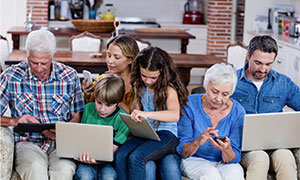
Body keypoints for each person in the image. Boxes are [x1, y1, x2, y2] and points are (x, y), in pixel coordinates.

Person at [0, 29, 84, 179]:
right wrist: (13, 121)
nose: (39, 68)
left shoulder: (69, 77)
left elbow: (76, 116)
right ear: (27, 56)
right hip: (27, 143)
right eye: (34, 62)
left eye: (44, 63)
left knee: (64, 171)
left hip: (60, 144)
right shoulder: (11, 76)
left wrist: (65, 131)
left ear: (52, 56)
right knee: (36, 169)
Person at [230, 35, 300, 180]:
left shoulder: (283, 83)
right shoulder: (232, 81)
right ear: (248, 56)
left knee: (286, 158)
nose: (263, 69)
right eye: (258, 63)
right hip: (244, 146)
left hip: (277, 144)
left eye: (268, 64)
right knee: (260, 159)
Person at [115, 46, 188, 180]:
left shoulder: (168, 89)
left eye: (153, 77)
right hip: (146, 132)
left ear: (162, 72)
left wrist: (146, 115)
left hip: (166, 135)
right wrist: (121, 106)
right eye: (144, 76)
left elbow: (174, 115)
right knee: (120, 155)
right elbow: (134, 109)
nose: (148, 81)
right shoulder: (139, 85)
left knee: (136, 158)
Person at [177, 63, 245, 180]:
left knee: (235, 174)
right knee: (211, 175)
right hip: (194, 160)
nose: (218, 99)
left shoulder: (238, 111)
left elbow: (234, 157)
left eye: (225, 94)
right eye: (214, 91)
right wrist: (198, 141)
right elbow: (183, 151)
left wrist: (226, 149)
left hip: (223, 162)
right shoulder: (189, 105)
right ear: (206, 85)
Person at [73, 73, 130, 180]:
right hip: (85, 158)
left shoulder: (123, 119)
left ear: (118, 103)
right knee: (85, 176)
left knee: (109, 177)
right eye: (99, 102)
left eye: (108, 105)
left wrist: (97, 160)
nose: (102, 109)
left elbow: (112, 151)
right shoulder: (89, 108)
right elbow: (81, 138)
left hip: (106, 162)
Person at [82, 35, 139, 113]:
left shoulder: (138, 84)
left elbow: (133, 114)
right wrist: (87, 95)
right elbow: (90, 110)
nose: (110, 61)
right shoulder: (101, 80)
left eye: (117, 57)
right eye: (108, 56)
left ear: (131, 60)